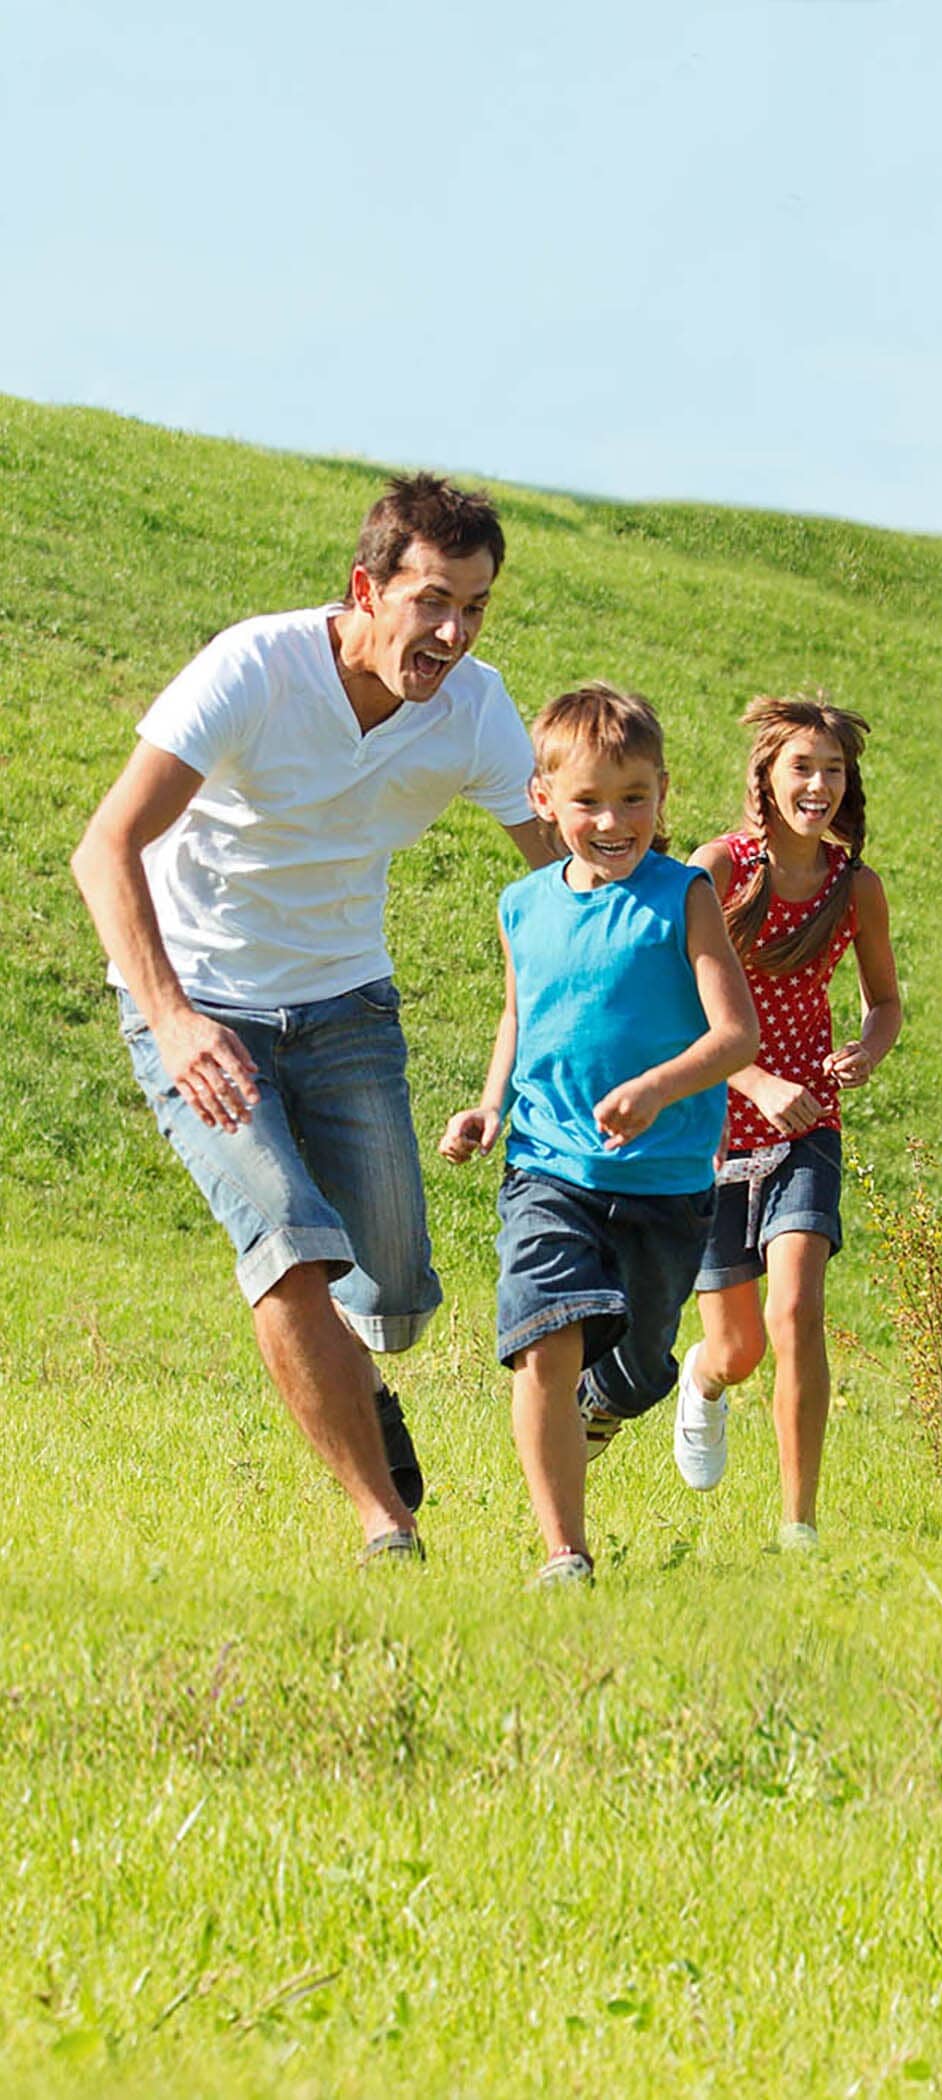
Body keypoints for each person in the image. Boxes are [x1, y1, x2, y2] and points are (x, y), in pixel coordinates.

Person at [71, 474, 555, 1567]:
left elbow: (571, 879)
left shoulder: (476, 708)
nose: (452, 633)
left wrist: (687, 931)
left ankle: (361, 1374)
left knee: (392, 1284)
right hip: (198, 1002)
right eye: (432, 601)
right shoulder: (258, 666)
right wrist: (173, 1018)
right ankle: (388, 1525)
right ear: (366, 588)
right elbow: (104, 848)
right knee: (287, 1241)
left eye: (475, 607)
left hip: (347, 1005)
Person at [439, 684, 757, 1586]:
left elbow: (737, 1037)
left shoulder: (683, 896)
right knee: (545, 1335)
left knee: (639, 1364)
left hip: (664, 1181)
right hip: (548, 1164)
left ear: (662, 793)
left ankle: (610, 1404)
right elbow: (519, 1014)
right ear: (544, 801)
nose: (612, 821)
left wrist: (657, 1090)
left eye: (633, 799)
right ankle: (563, 1553)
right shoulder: (522, 904)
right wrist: (491, 1105)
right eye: (587, 801)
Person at [667, 691, 901, 1550]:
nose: (820, 785)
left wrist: (865, 1054)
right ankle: (703, 1379)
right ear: (765, 775)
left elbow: (883, 1004)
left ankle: (797, 1525)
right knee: (738, 1350)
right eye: (802, 766)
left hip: (809, 1123)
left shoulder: (854, 887)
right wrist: (755, 1080)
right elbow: (679, 1002)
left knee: (796, 1308)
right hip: (712, 1127)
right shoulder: (717, 869)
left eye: (834, 770)